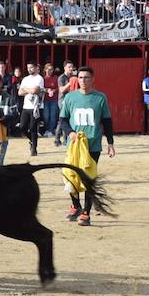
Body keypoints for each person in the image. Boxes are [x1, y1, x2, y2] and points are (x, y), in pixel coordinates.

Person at [58, 65, 115, 226]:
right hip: (74, 144)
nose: (83, 80)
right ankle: (75, 205)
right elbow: (63, 120)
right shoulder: (70, 98)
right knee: (70, 175)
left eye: (87, 77)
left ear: (93, 79)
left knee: (89, 179)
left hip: (93, 144)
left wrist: (110, 143)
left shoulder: (100, 98)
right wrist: (69, 132)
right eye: (81, 77)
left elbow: (106, 121)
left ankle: (86, 213)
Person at [17, 61, 44, 156]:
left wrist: (26, 89)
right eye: (28, 67)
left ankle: (34, 149)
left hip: (35, 107)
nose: (29, 69)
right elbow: (19, 92)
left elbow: (35, 90)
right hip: (26, 106)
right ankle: (31, 141)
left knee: (33, 128)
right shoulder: (25, 79)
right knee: (22, 127)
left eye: (31, 67)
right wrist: (29, 90)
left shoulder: (39, 78)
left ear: (37, 68)